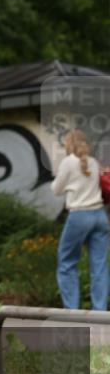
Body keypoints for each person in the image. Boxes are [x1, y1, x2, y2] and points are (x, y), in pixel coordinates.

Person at [51, 129, 109, 310]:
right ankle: (99, 312)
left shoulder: (68, 162)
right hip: (100, 216)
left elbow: (56, 189)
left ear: (69, 144)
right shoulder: (93, 162)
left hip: (79, 216)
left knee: (67, 263)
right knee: (99, 267)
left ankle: (72, 312)